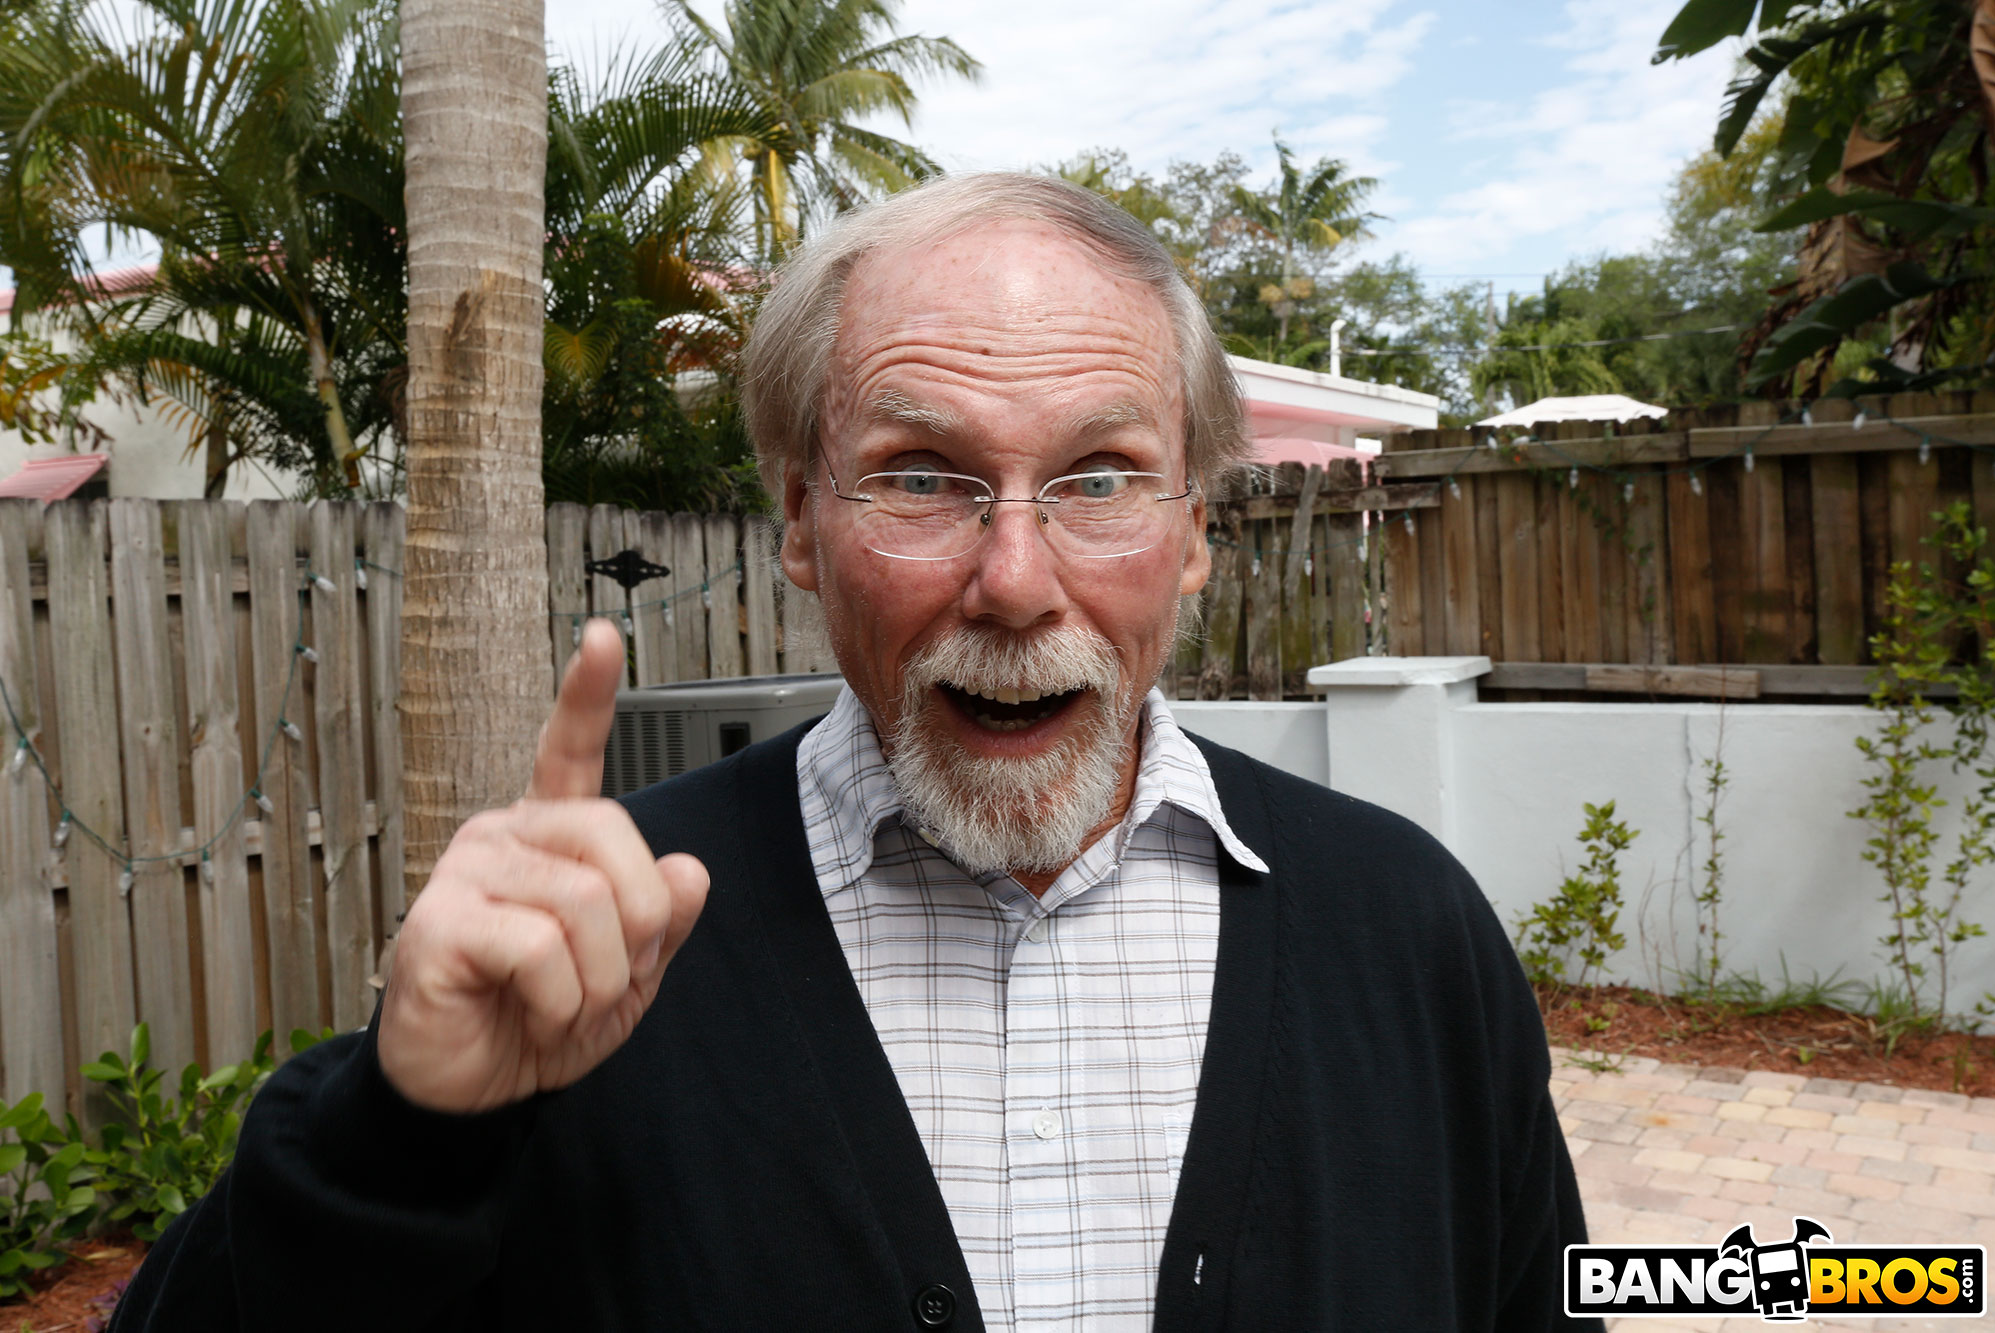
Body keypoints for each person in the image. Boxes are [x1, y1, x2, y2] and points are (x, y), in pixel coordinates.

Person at [111, 173, 1597, 1332]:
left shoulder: (1408, 934)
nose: (1014, 581)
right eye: (922, 477)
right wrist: (402, 1133)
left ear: (1196, 532)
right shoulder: (597, 957)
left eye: (1099, 478)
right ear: (801, 524)